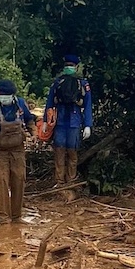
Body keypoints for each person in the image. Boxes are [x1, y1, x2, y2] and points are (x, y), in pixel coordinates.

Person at [0, 80, 36, 222]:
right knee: (1, 182)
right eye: (2, 94)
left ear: (13, 94)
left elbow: (29, 120)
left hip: (18, 150)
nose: (5, 97)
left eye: (7, 94)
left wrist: (34, 133)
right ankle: (3, 218)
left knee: (19, 180)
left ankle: (17, 216)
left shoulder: (21, 104)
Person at [45, 55, 94, 184]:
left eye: (71, 65)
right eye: (67, 65)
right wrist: (45, 121)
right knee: (59, 151)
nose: (69, 67)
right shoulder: (57, 83)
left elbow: (88, 105)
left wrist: (88, 124)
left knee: (72, 152)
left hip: (74, 122)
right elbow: (50, 103)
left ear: (76, 67)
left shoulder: (82, 84)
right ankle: (59, 181)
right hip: (62, 121)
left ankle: (70, 181)